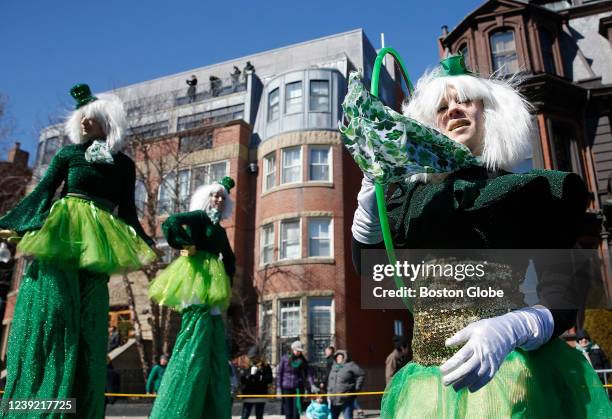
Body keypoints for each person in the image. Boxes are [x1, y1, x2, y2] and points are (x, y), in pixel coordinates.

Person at [343, 55, 612, 418]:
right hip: (427, 389)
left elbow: (567, 289)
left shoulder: (525, 193)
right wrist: (369, 208)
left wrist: (514, 327)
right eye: (442, 106)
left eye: (464, 100)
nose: (453, 110)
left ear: (491, 112)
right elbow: (373, 272)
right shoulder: (410, 200)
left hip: (513, 380)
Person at [0, 83, 156, 417]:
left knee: (89, 321)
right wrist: (18, 222)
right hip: (64, 234)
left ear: (108, 123)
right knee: (56, 313)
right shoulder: (68, 155)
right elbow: (44, 192)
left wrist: (145, 241)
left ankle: (78, 403)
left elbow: (127, 209)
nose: (85, 122)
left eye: (93, 117)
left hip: (100, 241)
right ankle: (42, 403)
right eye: (82, 116)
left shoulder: (123, 165)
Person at [148, 176, 236, 419]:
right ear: (207, 198)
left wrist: (229, 277)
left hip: (214, 281)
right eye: (215, 195)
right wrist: (187, 247)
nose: (218, 200)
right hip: (196, 274)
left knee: (213, 329)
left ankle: (210, 401)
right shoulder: (198, 218)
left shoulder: (220, 230)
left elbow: (228, 256)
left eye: (222, 197)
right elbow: (172, 223)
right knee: (196, 328)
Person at [277, 340, 317, 419]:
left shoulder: (302, 361)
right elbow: (279, 374)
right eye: (297, 350)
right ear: (293, 349)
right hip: (286, 388)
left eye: (300, 351)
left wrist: (312, 384)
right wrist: (278, 388)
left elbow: (308, 373)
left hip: (298, 388)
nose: (298, 352)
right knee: (288, 413)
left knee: (296, 413)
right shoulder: (285, 359)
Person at [326, 350, 365, 419]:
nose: (338, 359)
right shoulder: (333, 367)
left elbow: (361, 374)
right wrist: (329, 391)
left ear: (345, 358)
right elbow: (330, 380)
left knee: (348, 417)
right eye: (337, 357)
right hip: (334, 399)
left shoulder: (351, 365)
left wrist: (357, 387)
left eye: (340, 357)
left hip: (346, 398)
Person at [240, 346, 273, 419]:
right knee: (245, 415)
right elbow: (242, 380)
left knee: (259, 415)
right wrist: (249, 376)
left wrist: (260, 377)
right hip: (248, 394)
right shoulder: (246, 366)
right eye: (251, 357)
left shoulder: (265, 366)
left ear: (258, 356)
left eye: (254, 357)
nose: (252, 359)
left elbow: (269, 379)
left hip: (260, 394)